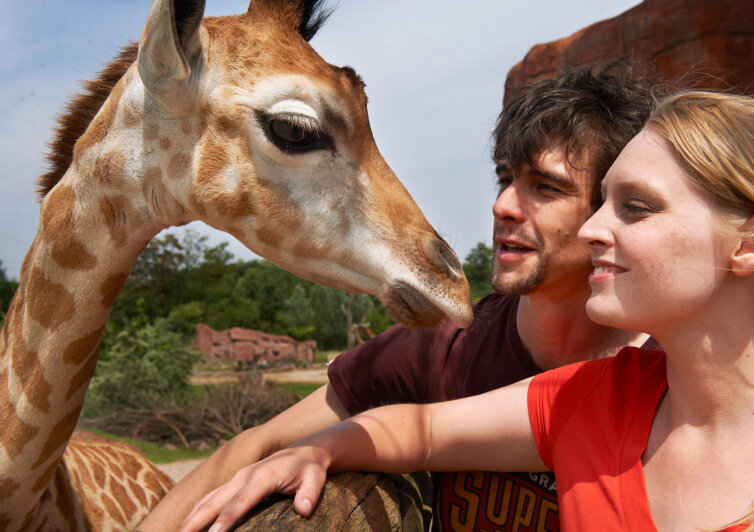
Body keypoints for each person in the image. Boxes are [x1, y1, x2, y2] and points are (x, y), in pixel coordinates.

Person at [179, 90, 754, 532]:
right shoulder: (587, 400)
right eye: (503, 178)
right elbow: (416, 431)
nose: (596, 229)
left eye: (635, 207)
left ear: (752, 244)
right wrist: (317, 449)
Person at [138, 60, 656, 531]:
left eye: (545, 187)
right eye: (504, 179)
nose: (502, 206)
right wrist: (314, 452)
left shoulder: (672, 370)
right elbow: (257, 443)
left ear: (615, 211)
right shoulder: (448, 346)